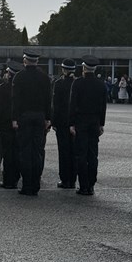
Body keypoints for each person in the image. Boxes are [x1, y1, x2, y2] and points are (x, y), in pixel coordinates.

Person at [11, 50, 51, 196]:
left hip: (25, 116)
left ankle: (27, 184)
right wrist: (48, 118)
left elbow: (16, 100)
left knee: (25, 152)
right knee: (38, 151)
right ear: (37, 61)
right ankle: (36, 183)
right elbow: (48, 100)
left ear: (25, 61)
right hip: (40, 116)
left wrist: (14, 118)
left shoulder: (19, 77)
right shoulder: (44, 77)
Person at [69, 55, 107, 196]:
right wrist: (101, 123)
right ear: (95, 68)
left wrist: (71, 123)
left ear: (84, 68)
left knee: (81, 154)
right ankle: (91, 184)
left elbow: (72, 104)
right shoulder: (100, 84)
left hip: (81, 121)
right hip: (94, 121)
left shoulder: (78, 83)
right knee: (93, 154)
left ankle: (83, 185)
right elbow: (103, 106)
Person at [0, 61, 23, 189]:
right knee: (17, 152)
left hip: (5, 124)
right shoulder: (23, 87)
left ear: (9, 74)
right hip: (19, 123)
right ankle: (16, 178)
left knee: (7, 153)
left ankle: (8, 180)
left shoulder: (3, 87)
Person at [52, 58, 77, 189]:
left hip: (62, 122)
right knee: (74, 151)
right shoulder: (77, 83)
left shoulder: (59, 83)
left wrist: (54, 122)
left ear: (63, 69)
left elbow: (56, 104)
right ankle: (73, 179)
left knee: (63, 151)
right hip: (75, 122)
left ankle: (65, 179)